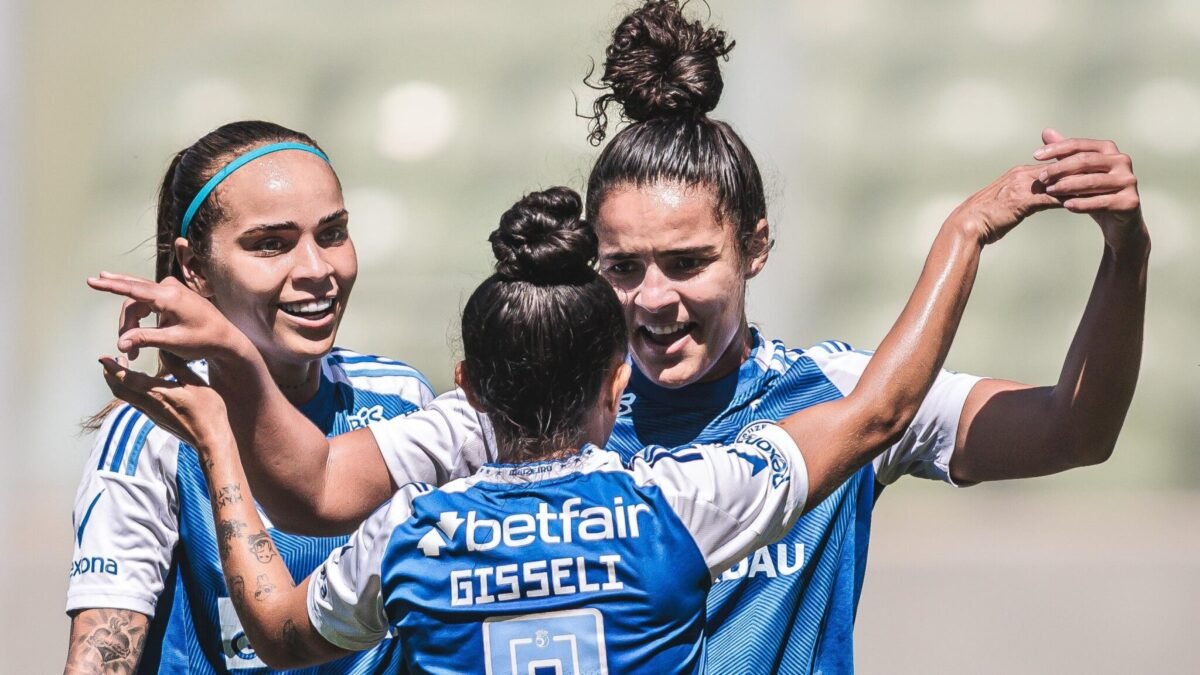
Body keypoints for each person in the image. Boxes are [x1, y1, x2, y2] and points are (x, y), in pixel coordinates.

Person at [89, 2, 1148, 671]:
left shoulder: (823, 388)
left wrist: (1126, 255)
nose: (653, 298)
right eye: (621, 265)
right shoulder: (520, 413)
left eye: (688, 263)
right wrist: (232, 371)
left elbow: (1073, 430)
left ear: (756, 249)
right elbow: (316, 484)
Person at [100, 175, 1053, 671]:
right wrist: (964, 232)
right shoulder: (679, 502)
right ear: (613, 384)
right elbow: (879, 409)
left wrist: (220, 435)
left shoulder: (412, 532)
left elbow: (275, 626)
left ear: (469, 385)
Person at [65, 121, 436, 673]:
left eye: (332, 233)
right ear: (196, 269)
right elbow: (98, 661)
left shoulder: (402, 396)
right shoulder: (152, 432)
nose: (317, 270)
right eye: (270, 245)